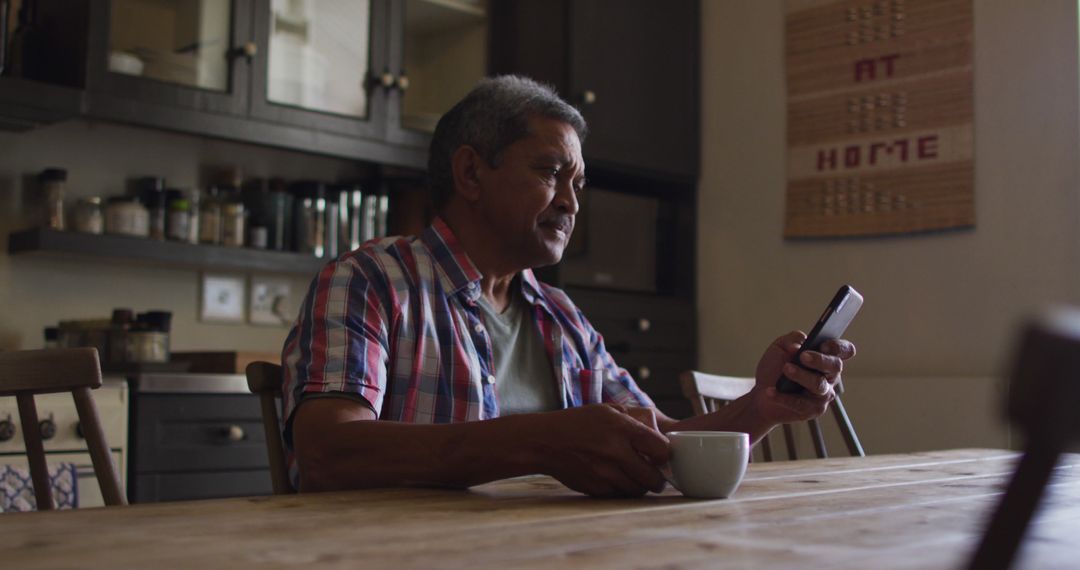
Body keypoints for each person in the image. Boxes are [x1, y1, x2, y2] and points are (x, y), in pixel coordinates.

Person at [281, 75, 856, 497]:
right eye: (551, 172)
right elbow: (327, 452)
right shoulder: (370, 281)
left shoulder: (561, 315)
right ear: (471, 172)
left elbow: (660, 442)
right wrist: (536, 442)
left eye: (577, 183)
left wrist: (764, 406)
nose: (571, 203)